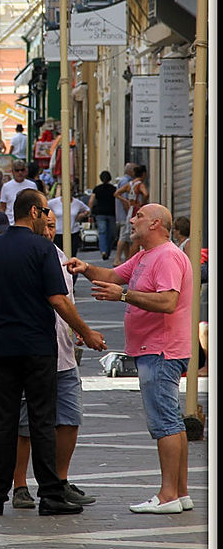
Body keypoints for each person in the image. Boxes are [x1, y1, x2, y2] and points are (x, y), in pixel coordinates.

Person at [0, 188, 106, 516]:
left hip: (3, 349)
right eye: (44, 211)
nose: (47, 217)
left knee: (4, 422)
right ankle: (51, 495)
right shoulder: (43, 249)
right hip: (39, 349)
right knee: (42, 420)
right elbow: (58, 299)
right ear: (33, 212)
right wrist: (86, 332)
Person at [66, 203, 193, 514]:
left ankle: (167, 496)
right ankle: (180, 492)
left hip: (160, 349)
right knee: (171, 421)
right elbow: (112, 274)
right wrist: (86, 269)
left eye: (139, 216)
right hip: (153, 349)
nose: (132, 220)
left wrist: (122, 296)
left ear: (156, 224)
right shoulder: (146, 255)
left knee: (165, 422)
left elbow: (167, 301)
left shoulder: (167, 256)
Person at [10, 210, 96, 510]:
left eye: (53, 227)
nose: (49, 231)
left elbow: (66, 301)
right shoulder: (21, 254)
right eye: (45, 225)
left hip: (64, 352)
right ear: (32, 220)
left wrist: (77, 331)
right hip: (33, 352)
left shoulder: (60, 257)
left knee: (70, 418)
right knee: (25, 425)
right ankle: (20, 485)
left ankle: (59, 481)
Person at [47, 182, 90, 259]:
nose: (68, 192)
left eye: (70, 190)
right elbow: (45, 208)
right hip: (58, 233)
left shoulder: (77, 203)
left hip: (73, 232)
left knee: (72, 256)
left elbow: (87, 209)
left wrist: (82, 215)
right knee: (58, 257)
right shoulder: (53, 203)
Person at [115, 164, 149, 261]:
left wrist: (126, 201)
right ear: (144, 174)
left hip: (130, 210)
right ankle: (133, 260)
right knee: (136, 238)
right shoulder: (140, 184)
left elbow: (117, 193)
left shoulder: (129, 184)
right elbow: (146, 194)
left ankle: (128, 259)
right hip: (136, 209)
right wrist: (143, 202)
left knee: (129, 236)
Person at [88, 170, 117, 261]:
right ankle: (107, 251)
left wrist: (90, 212)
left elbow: (91, 201)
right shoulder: (113, 189)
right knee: (111, 234)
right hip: (111, 213)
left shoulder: (97, 189)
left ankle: (103, 251)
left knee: (102, 232)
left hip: (99, 213)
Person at [0, 159, 38, 224]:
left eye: (22, 170)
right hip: (10, 223)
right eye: (17, 170)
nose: (20, 173)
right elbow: (2, 207)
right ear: (13, 171)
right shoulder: (6, 186)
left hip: (28, 223)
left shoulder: (32, 185)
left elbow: (36, 204)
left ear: (26, 170)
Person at [112, 163, 136, 265]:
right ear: (130, 171)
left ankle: (127, 258)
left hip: (121, 214)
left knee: (126, 237)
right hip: (124, 214)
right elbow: (125, 199)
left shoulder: (123, 180)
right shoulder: (127, 181)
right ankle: (117, 258)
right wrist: (128, 213)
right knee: (124, 235)